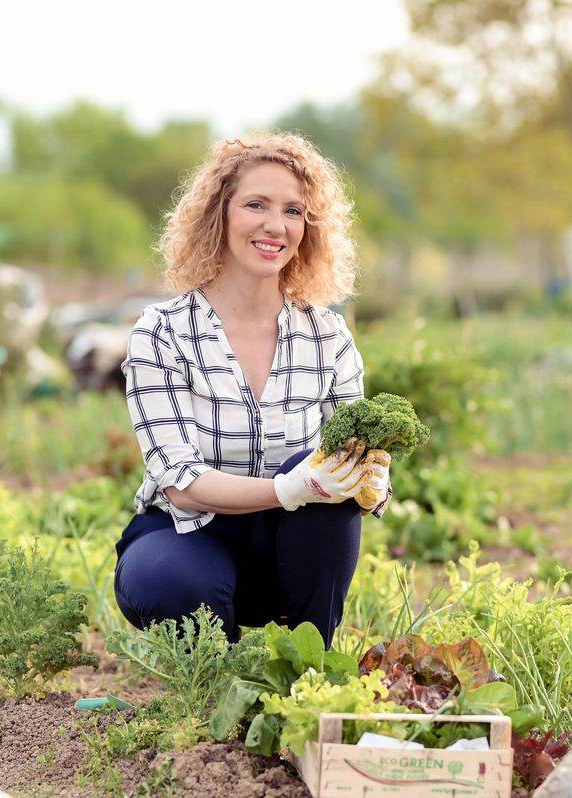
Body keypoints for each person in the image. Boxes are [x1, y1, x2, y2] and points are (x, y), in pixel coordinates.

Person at [113, 133, 394, 649]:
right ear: (219, 216)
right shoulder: (163, 331)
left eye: (293, 211)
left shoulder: (326, 335)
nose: (275, 225)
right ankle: (218, 666)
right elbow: (180, 483)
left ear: (308, 229)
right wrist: (288, 490)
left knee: (322, 473)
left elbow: (350, 457)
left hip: (294, 554)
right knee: (167, 580)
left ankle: (307, 659)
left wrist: (367, 474)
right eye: (256, 205)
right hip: (189, 535)